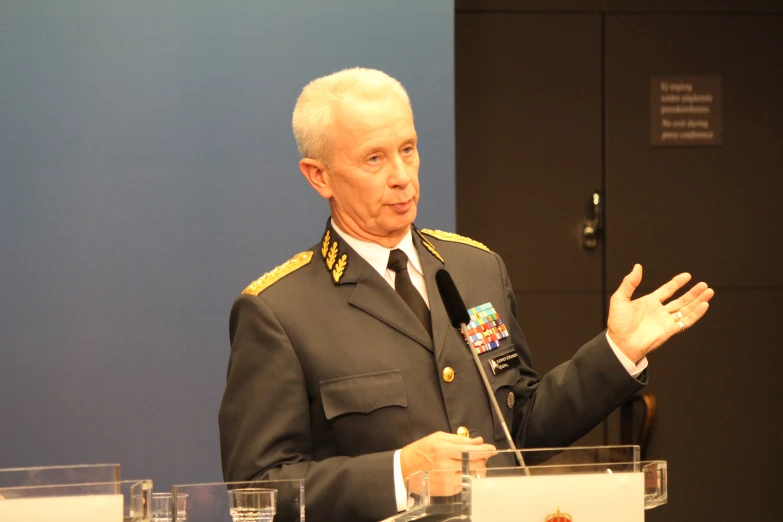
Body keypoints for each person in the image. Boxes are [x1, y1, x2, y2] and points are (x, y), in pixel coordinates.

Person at [218, 68, 713, 522]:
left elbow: (518, 430)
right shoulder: (278, 312)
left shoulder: (476, 268)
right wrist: (398, 472)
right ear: (318, 175)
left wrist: (616, 353)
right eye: (374, 158)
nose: (401, 176)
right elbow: (255, 490)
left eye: (408, 149)